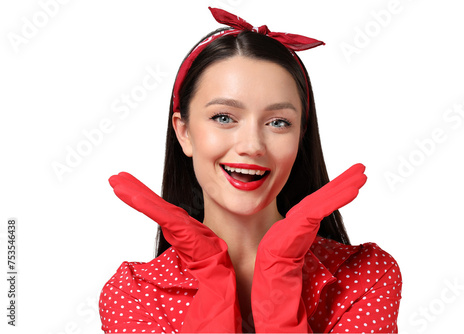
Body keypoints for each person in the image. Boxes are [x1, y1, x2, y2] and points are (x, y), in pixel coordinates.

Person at [99, 7, 402, 333]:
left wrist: (279, 277)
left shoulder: (364, 276)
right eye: (224, 117)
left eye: (278, 122)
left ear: (300, 137)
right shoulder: (135, 294)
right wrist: (213, 282)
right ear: (184, 132)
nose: (252, 145)